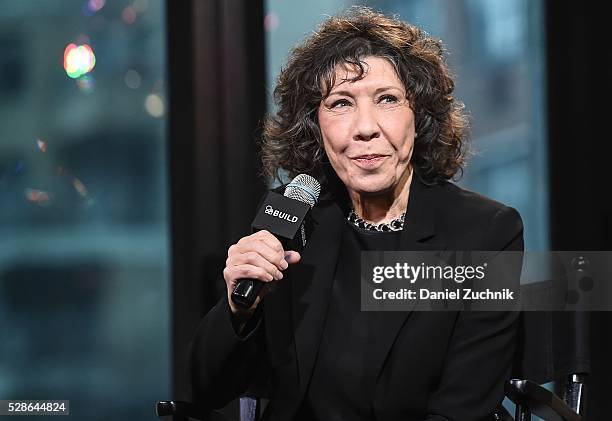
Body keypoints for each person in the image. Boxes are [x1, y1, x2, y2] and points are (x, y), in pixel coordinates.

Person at [190, 7, 523, 421]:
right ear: (315, 125)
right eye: (341, 103)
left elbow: (463, 407)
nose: (365, 128)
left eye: (387, 100)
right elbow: (206, 388)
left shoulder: (484, 232)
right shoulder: (293, 216)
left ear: (418, 116)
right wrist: (239, 311)